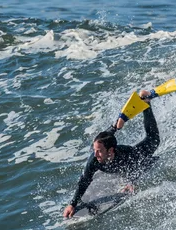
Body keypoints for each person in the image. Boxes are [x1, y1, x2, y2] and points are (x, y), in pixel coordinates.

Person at [63, 89, 160, 218]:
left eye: (99, 151)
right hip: (115, 140)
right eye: (94, 150)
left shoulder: (125, 154)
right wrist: (72, 204)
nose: (96, 155)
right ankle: (117, 124)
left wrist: (132, 182)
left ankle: (146, 103)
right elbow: (84, 180)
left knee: (153, 139)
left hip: (138, 156)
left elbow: (138, 166)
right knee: (113, 131)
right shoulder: (94, 160)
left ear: (111, 151)